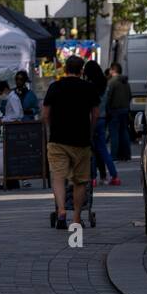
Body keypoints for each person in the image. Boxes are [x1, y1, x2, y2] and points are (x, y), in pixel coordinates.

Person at [42, 54, 99, 228]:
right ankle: (76, 217)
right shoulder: (89, 88)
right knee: (80, 181)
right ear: (81, 71)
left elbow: (45, 114)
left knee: (58, 177)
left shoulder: (55, 87)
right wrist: (90, 132)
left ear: (65, 69)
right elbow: (95, 114)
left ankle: (61, 210)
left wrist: (53, 128)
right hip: (81, 141)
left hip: (58, 140)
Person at [83, 61, 120, 185]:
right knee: (103, 149)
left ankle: (92, 178)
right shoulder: (105, 84)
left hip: (91, 119)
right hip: (103, 119)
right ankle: (114, 176)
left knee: (91, 150)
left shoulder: (89, 86)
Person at [106, 62, 133, 162]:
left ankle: (114, 156)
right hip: (125, 110)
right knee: (124, 132)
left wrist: (108, 108)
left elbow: (108, 97)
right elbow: (130, 95)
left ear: (113, 70)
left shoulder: (112, 82)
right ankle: (126, 155)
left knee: (114, 133)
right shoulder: (126, 82)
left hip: (114, 110)